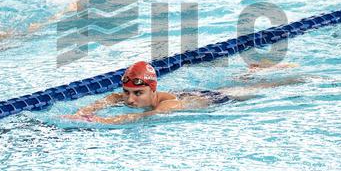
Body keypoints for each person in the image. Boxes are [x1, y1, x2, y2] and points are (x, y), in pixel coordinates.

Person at [66, 59, 302, 125]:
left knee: (262, 89)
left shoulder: (164, 106)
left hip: (216, 100)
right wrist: (82, 111)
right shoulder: (125, 96)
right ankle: (253, 71)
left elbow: (137, 118)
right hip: (192, 92)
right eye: (127, 92)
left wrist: (102, 121)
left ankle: (293, 76)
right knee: (235, 82)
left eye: (137, 94)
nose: (129, 99)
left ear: (152, 89)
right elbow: (106, 99)